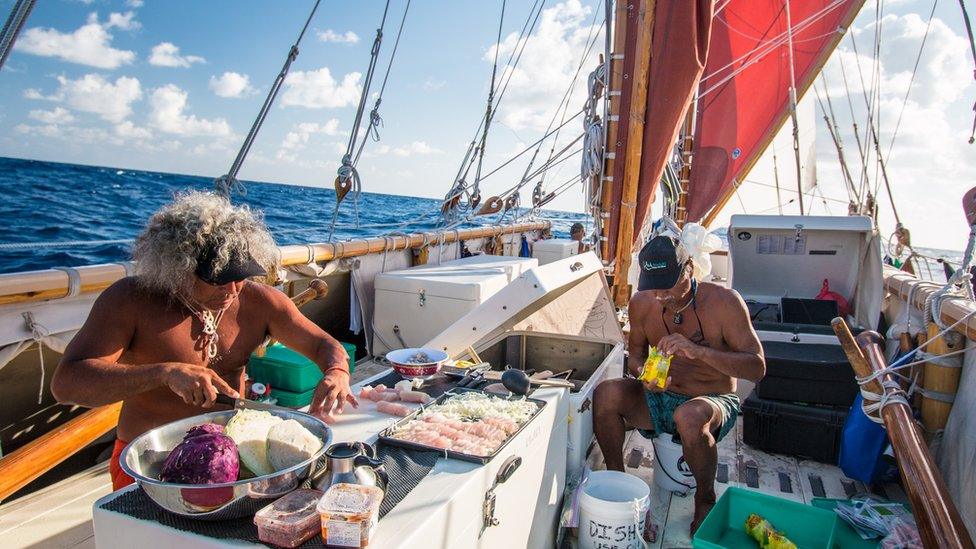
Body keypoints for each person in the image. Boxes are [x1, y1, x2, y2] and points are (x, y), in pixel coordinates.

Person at [52, 192, 356, 489]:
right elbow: (67, 383)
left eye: (240, 276)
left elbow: (324, 346)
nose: (233, 290)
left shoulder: (260, 301)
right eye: (217, 279)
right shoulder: (131, 300)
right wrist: (165, 372)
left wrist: (337, 372)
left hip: (233, 456)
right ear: (178, 268)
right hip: (151, 462)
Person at [593, 220, 764, 535]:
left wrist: (699, 352)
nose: (659, 295)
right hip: (658, 397)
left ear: (689, 269)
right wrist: (643, 375)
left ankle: (705, 497)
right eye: (652, 284)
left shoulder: (725, 303)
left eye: (668, 283)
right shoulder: (643, 303)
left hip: (712, 401)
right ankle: (617, 480)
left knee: (688, 416)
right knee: (605, 393)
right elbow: (636, 357)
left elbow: (757, 367)